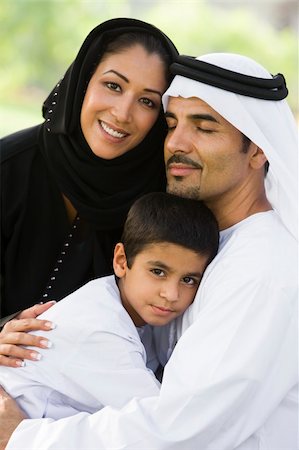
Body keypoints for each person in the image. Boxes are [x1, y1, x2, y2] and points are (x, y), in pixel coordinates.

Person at [0, 52, 297, 450]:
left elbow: (187, 431)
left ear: (258, 150)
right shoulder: (204, 242)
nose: (175, 143)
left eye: (204, 128)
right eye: (172, 124)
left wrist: (23, 437)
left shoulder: (264, 267)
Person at [0, 18, 178, 320]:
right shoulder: (8, 167)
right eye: (113, 85)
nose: (122, 113)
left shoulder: (160, 198)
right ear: (83, 82)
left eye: (147, 101)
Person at [0, 191, 219, 419]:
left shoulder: (124, 306)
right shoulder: (98, 328)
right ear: (121, 261)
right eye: (158, 272)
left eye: (188, 280)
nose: (172, 294)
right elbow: (165, 425)